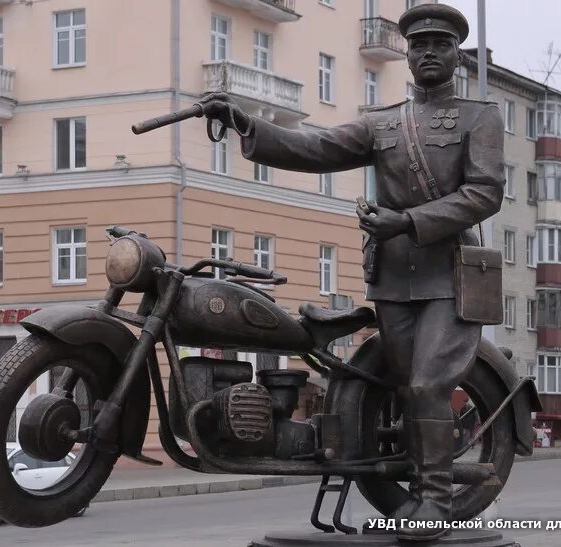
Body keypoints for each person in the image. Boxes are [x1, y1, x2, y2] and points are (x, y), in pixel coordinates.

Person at [198, 4, 504, 540]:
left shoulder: (480, 117)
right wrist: (249, 124)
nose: (428, 52)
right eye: (419, 45)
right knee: (405, 390)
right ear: (407, 56)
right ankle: (405, 485)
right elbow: (316, 146)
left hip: (451, 278)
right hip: (393, 280)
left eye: (440, 44)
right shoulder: (383, 121)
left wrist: (406, 220)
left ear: (457, 54)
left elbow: (483, 193)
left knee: (429, 384)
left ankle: (434, 499)